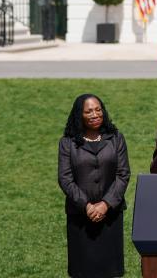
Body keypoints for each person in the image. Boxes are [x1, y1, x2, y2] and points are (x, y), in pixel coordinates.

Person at [58, 94, 130, 278]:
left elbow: (123, 174)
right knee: (83, 271)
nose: (95, 114)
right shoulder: (67, 143)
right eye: (88, 111)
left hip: (111, 216)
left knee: (109, 271)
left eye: (98, 109)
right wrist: (87, 206)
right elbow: (65, 178)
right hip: (81, 217)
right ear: (79, 115)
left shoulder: (116, 138)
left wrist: (105, 204)